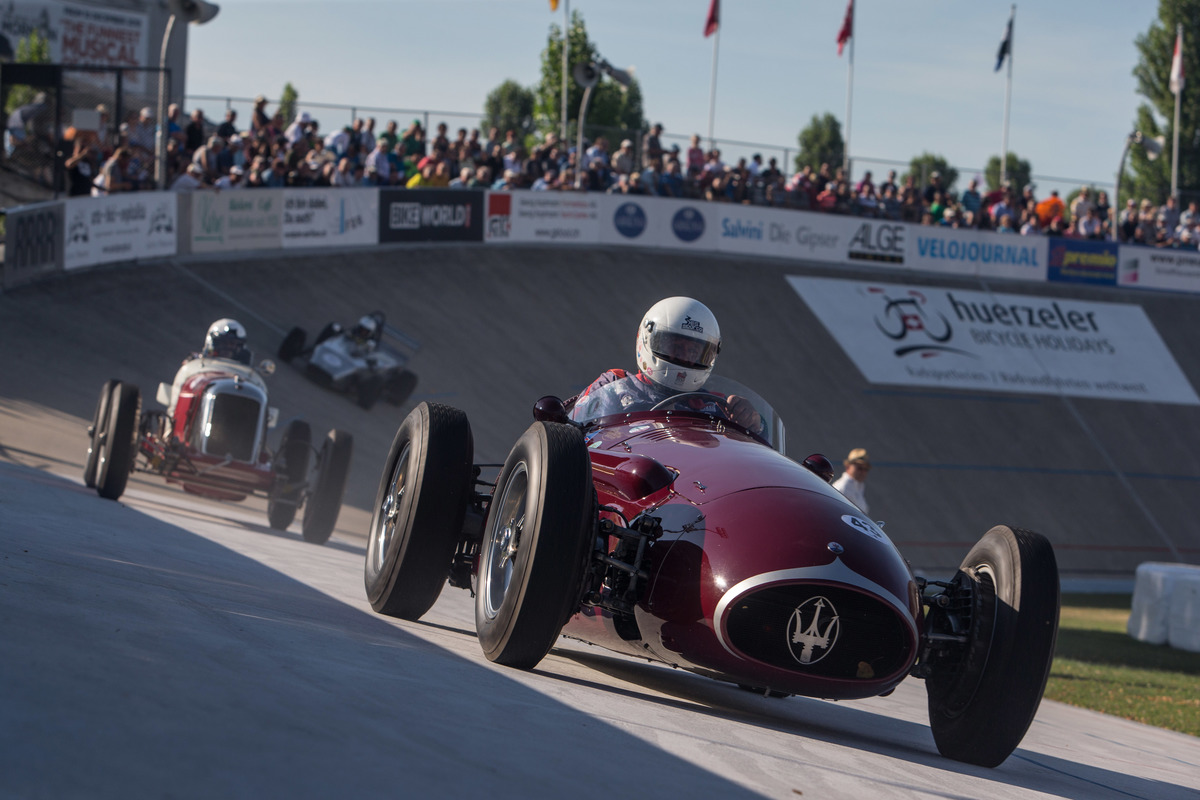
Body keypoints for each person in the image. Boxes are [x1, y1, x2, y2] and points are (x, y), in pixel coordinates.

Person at [566, 296, 761, 431]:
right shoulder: (613, 386)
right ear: (646, 338)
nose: (685, 358)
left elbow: (752, 456)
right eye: (676, 347)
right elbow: (571, 433)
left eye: (694, 352)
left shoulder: (716, 406)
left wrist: (753, 423)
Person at [166, 319, 257, 417]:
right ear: (213, 343)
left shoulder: (248, 375)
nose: (228, 348)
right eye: (223, 343)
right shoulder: (193, 366)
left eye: (232, 344)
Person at [832, 448, 871, 514]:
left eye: (866, 469)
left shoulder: (859, 486)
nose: (863, 472)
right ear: (848, 466)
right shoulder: (842, 487)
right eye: (859, 468)